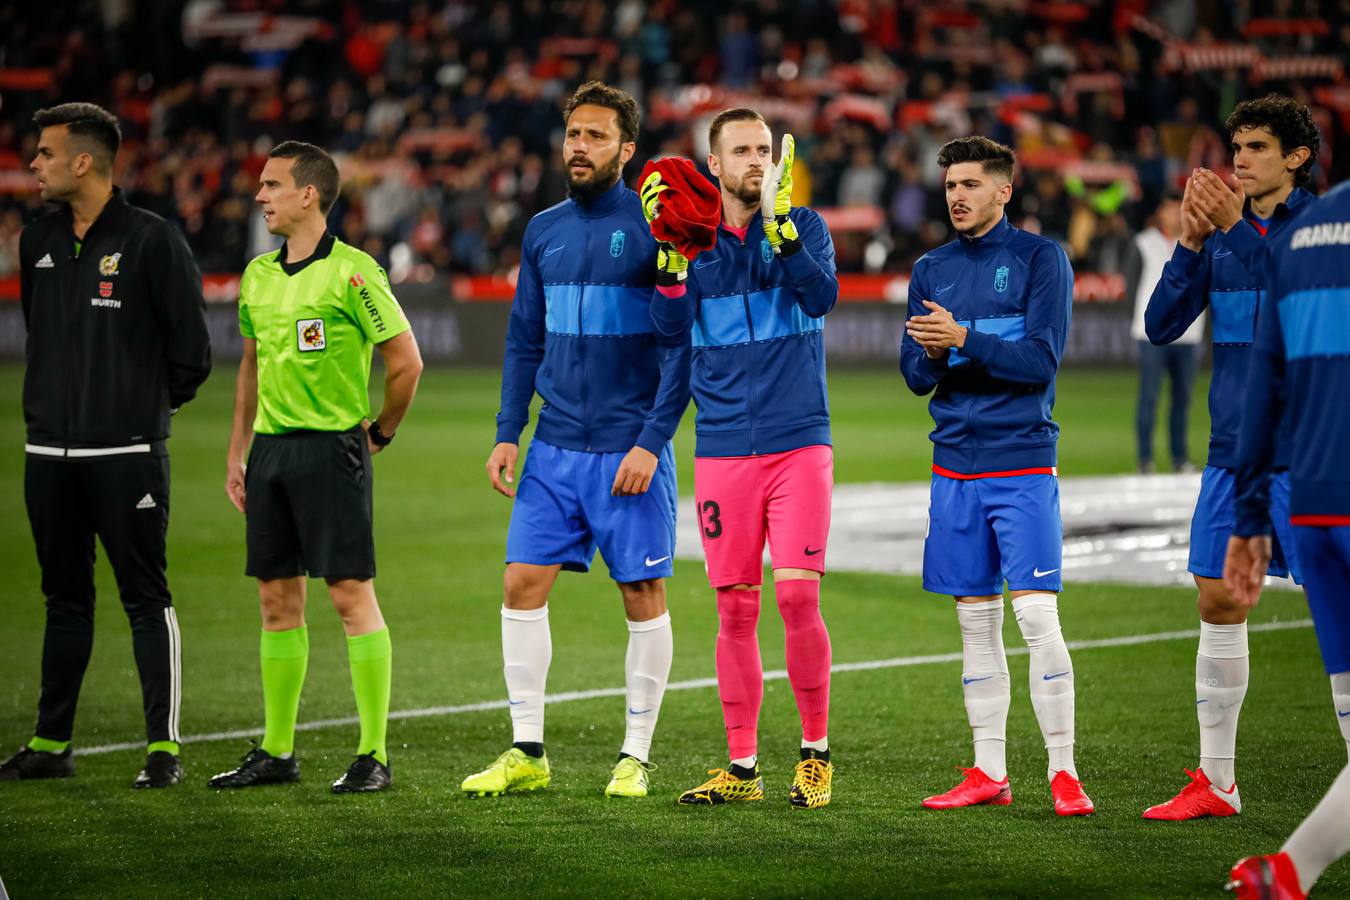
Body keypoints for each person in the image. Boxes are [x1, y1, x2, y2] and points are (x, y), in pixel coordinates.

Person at [462, 82, 687, 800]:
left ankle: (636, 756)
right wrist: (508, 432)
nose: (578, 147)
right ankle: (527, 750)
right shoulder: (542, 229)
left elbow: (682, 349)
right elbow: (525, 338)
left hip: (628, 448)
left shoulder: (660, 230)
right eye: (572, 135)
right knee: (520, 584)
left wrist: (652, 442)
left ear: (627, 149)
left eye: (595, 137)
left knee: (642, 591)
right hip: (553, 447)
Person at [0, 103, 210, 789]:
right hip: (47, 455)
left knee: (145, 597)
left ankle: (163, 748)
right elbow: (43, 336)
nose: (33, 165)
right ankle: (50, 740)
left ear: (82, 161)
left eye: (45, 153)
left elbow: (192, 355)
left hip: (127, 455)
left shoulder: (154, 241)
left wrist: (136, 413)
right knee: (64, 599)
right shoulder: (35, 242)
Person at [208, 141, 423, 794]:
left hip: (333, 449)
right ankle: (277, 752)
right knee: (276, 599)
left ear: (310, 195)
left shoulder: (355, 273)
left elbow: (406, 362)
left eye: (272, 185)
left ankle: (373, 754)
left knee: (349, 596)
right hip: (271, 451)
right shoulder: (258, 277)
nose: (260, 197)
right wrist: (238, 449)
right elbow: (250, 367)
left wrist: (378, 433)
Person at [649, 108, 840, 809]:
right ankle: (743, 768)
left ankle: (815, 756)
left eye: (766, 148)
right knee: (734, 610)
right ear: (715, 165)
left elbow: (823, 295)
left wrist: (782, 232)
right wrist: (669, 264)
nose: (758, 160)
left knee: (796, 596)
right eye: (743, 150)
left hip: (799, 443)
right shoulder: (693, 247)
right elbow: (670, 335)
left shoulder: (804, 227)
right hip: (725, 449)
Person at [901, 136, 1093, 817]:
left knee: (1038, 617)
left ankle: (1064, 772)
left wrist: (962, 343)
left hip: (1021, 463)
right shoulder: (931, 268)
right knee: (975, 625)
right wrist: (934, 355)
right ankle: (989, 770)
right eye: (950, 184)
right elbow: (915, 375)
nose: (957, 195)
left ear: (1003, 190)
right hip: (953, 468)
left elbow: (1039, 362)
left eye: (971, 184)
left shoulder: (1041, 260)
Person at [1141, 94, 1319, 821]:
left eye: (1256, 148)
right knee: (1217, 595)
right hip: (1233, 453)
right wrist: (1190, 245)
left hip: (1311, 449)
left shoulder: (1323, 227)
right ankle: (1218, 782)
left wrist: (1231, 230)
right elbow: (1159, 326)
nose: (1238, 160)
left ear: (1297, 157)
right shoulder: (1220, 235)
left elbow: (1294, 296)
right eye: (1235, 147)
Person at [1222, 179, 1350, 900]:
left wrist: (1249, 520)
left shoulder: (1302, 236)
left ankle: (1289, 873)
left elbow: (1261, 386)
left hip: (1314, 504)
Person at [1128, 192, 1203, 473]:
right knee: (1149, 397)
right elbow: (1131, 287)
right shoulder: (1143, 242)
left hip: (1190, 333)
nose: (1173, 216)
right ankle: (1145, 459)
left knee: (1182, 400)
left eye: (1178, 210)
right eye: (1169, 210)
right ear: (1160, 213)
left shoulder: (1201, 241)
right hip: (1152, 336)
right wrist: (1139, 322)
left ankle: (1179, 458)